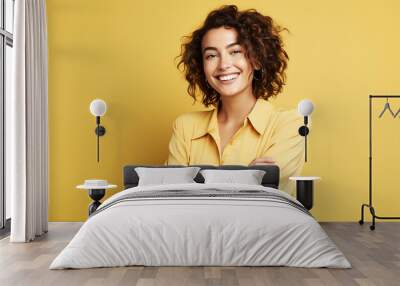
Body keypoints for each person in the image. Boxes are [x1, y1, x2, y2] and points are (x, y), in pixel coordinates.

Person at [166, 5, 305, 193]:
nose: (223, 64)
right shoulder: (184, 127)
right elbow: (171, 196)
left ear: (256, 60)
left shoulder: (291, 124)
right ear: (202, 67)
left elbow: (262, 191)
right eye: (211, 55)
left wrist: (196, 186)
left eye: (235, 51)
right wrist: (248, 174)